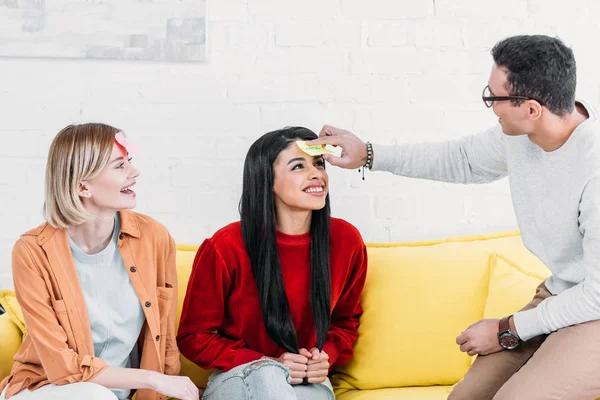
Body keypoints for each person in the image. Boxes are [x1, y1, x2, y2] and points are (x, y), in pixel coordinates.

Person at [309, 35, 600, 400]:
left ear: (531, 109)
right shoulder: (521, 134)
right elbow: (462, 160)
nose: (490, 105)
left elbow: (596, 296)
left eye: (493, 98)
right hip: (562, 293)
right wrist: (368, 154)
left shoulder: (593, 169)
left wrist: (507, 329)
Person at [0, 123, 199, 400]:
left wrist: (161, 387)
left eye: (130, 161)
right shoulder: (33, 251)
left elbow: (162, 339)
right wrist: (152, 379)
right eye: (119, 166)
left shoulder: (154, 238)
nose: (134, 172)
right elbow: (61, 367)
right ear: (83, 186)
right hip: (46, 389)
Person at [177, 126, 368, 400]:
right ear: (267, 180)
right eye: (298, 166)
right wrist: (269, 363)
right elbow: (194, 336)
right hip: (241, 375)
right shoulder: (224, 247)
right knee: (267, 378)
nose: (316, 173)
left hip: (306, 383)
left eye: (318, 164)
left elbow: (345, 321)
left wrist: (326, 357)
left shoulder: (346, 240)